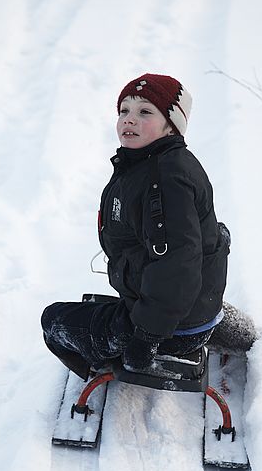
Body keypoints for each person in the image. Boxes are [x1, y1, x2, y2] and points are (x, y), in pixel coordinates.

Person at [41, 73, 230, 381]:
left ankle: (103, 368)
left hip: (169, 331)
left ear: (171, 125)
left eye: (145, 112)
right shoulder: (158, 162)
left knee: (52, 321)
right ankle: (198, 322)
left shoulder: (164, 181)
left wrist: (145, 337)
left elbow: (177, 265)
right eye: (124, 111)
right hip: (188, 309)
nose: (129, 120)